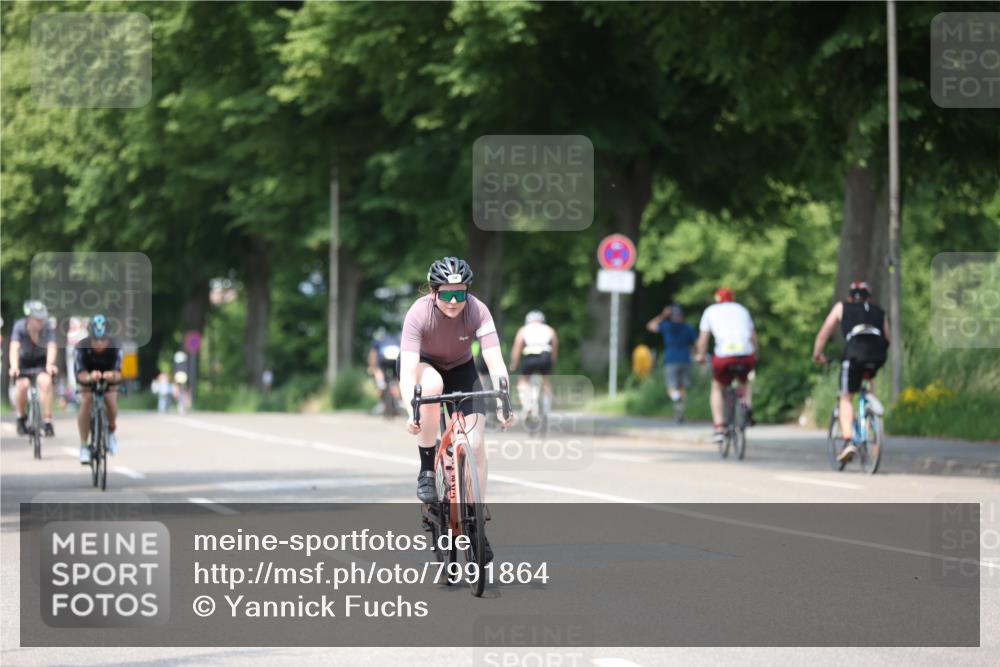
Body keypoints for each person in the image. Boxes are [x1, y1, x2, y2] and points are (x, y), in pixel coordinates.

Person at [399, 257, 516, 561]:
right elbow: (408, 371)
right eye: (446, 294)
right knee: (433, 385)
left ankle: (476, 525)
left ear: (467, 292)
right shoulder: (418, 314)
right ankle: (427, 469)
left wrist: (505, 399)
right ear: (433, 292)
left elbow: (494, 360)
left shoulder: (478, 310)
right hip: (426, 368)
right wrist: (408, 407)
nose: (453, 301)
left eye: (460, 294)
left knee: (475, 445)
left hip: (463, 369)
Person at [812, 280, 891, 463]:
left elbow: (824, 332)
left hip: (854, 353)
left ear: (850, 296)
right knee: (869, 376)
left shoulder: (842, 307)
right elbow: (887, 338)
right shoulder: (879, 311)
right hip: (877, 354)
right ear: (868, 298)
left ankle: (848, 441)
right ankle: (871, 423)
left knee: (846, 397)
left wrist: (817, 354)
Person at [695, 288, 758, 444]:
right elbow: (753, 337)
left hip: (724, 356)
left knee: (717, 387)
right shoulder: (742, 309)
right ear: (733, 298)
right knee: (744, 382)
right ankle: (746, 406)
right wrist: (756, 355)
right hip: (746, 354)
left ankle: (719, 428)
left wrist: (701, 356)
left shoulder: (710, 311)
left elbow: (703, 340)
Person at [75, 314, 123, 463]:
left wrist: (111, 376)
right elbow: (80, 374)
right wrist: (89, 377)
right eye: (96, 340)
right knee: (87, 400)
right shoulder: (81, 347)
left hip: (109, 376)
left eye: (103, 339)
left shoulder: (116, 346)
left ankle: (111, 431)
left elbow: (119, 374)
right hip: (88, 376)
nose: (100, 343)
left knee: (110, 400)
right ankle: (84, 445)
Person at [8, 300, 58, 437]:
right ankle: (21, 417)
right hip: (24, 362)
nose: (41, 321)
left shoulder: (47, 327)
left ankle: (47, 421)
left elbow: (52, 346)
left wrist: (50, 364)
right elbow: (14, 347)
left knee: (46, 382)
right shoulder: (19, 327)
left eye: (42, 318)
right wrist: (14, 366)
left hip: (41, 362)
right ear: (29, 318)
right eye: (38, 318)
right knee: (22, 386)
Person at [646, 304, 698, 422]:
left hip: (671, 361)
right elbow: (697, 343)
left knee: (671, 388)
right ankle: (680, 412)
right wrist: (696, 354)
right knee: (682, 387)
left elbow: (650, 326)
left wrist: (663, 315)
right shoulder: (688, 327)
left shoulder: (666, 326)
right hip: (686, 360)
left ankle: (676, 398)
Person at [509, 310, 559, 425]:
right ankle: (546, 409)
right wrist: (553, 360)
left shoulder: (524, 329)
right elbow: (555, 344)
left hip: (529, 356)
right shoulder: (549, 329)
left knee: (523, 382)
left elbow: (518, 345)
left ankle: (528, 405)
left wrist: (514, 362)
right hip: (545, 356)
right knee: (546, 381)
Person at [368, 327, 401, 414]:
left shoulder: (378, 341)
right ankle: (399, 401)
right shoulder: (397, 340)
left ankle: (381, 386)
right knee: (398, 378)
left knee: (378, 372)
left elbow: (373, 354)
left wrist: (372, 367)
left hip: (383, 362)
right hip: (395, 361)